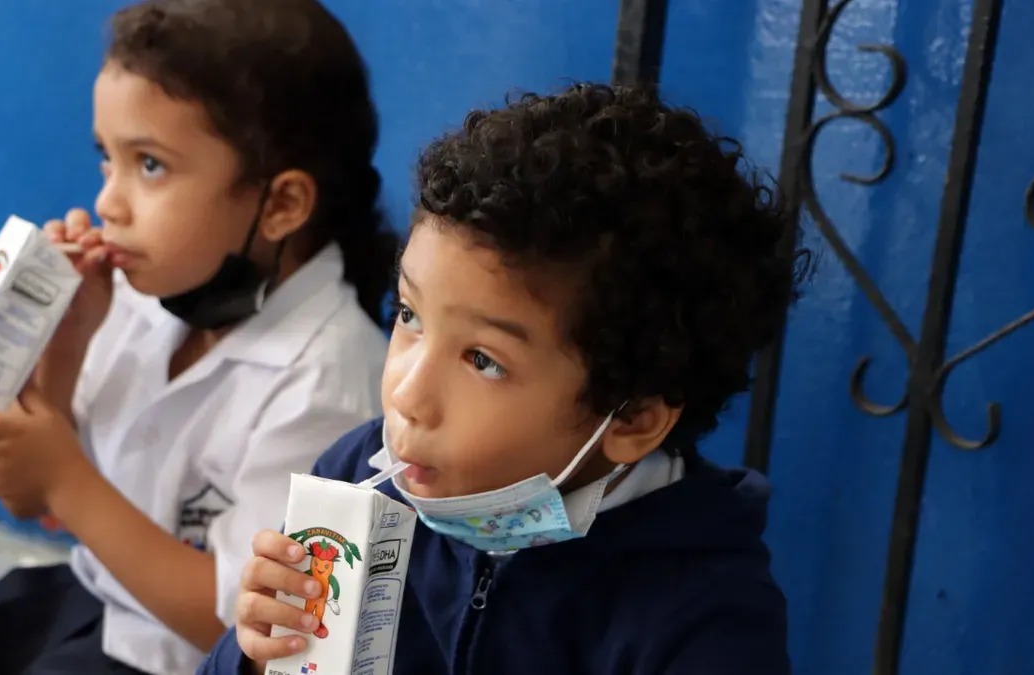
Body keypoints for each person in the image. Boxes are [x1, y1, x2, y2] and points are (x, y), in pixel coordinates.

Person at [0, 1, 395, 673]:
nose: (108, 202)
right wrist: (67, 343)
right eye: (108, 159)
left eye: (151, 165)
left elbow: (240, 628)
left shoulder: (328, 385)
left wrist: (64, 479)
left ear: (280, 205)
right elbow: (22, 495)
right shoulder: (142, 294)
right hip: (87, 602)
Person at [200, 83, 808, 674]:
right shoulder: (358, 477)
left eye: (483, 360)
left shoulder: (705, 624)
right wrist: (254, 656)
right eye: (409, 316)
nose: (407, 397)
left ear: (631, 419)